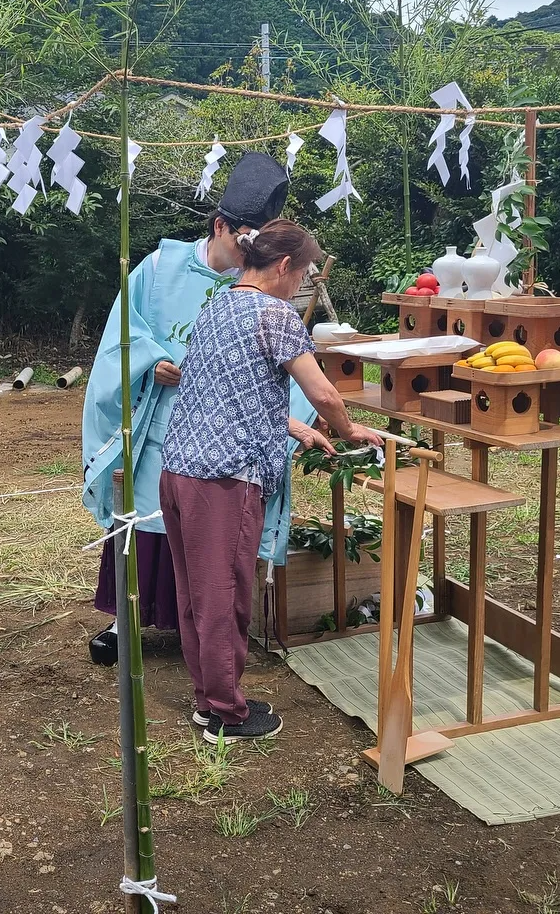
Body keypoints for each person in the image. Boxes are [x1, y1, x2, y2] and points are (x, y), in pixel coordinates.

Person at [81, 153, 328, 665]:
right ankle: (126, 620)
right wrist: (153, 362)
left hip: (227, 433)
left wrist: (295, 422)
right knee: (147, 519)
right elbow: (123, 333)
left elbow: (283, 367)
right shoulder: (160, 268)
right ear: (220, 226)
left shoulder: (257, 290)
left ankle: (197, 630)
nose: (249, 259)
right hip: (161, 418)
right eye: (243, 243)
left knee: (213, 535)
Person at [160, 220, 383, 743]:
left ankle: (207, 698)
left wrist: (295, 426)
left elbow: (224, 385)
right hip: (223, 477)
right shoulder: (274, 313)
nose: (300, 284)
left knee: (196, 591)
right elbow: (325, 392)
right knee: (223, 594)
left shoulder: (218, 304)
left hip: (180, 471)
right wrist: (347, 428)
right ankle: (224, 712)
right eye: (302, 274)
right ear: (285, 267)